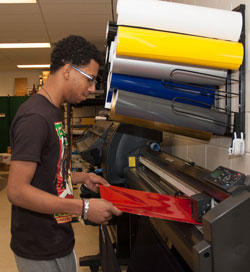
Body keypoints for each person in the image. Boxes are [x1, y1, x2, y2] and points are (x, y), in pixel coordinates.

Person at [7, 35, 122, 272]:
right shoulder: (35, 117)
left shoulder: (51, 111)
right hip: (39, 247)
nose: (91, 89)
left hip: (57, 236)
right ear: (68, 70)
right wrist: (85, 208)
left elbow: (49, 169)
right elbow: (17, 191)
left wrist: (81, 178)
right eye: (90, 80)